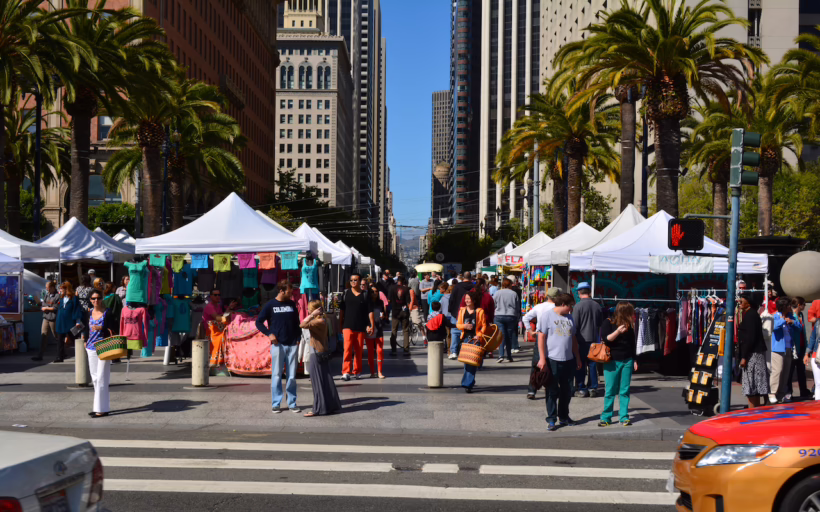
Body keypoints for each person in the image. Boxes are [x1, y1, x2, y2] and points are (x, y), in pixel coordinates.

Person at [537, 293, 581, 432]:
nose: (571, 309)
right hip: (552, 359)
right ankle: (551, 419)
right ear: (563, 304)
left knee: (567, 390)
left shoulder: (569, 318)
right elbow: (541, 337)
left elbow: (573, 339)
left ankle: (564, 416)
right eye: (570, 306)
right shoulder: (547, 316)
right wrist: (542, 358)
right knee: (552, 390)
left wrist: (577, 357)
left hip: (568, 360)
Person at [256, 280, 302, 413]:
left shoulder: (292, 304)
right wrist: (269, 333)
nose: (291, 294)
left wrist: (298, 338)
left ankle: (292, 402)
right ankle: (276, 403)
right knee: (276, 375)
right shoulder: (270, 305)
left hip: (292, 343)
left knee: (292, 376)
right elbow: (258, 322)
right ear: (281, 291)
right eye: (289, 292)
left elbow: (296, 322)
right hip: (278, 345)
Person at [598, 302, 638, 427]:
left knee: (624, 390)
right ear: (624, 312)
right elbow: (606, 339)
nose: (632, 315)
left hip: (627, 360)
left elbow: (632, 344)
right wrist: (618, 332)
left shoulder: (629, 326)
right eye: (630, 312)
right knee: (610, 390)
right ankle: (606, 417)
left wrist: (634, 359)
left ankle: (624, 417)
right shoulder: (608, 322)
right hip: (612, 361)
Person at [300, 300, 342, 416]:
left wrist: (312, 315)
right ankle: (330, 405)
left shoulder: (317, 321)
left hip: (316, 353)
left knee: (317, 382)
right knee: (326, 380)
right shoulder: (324, 320)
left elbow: (302, 324)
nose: (308, 311)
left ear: (314, 310)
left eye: (309, 309)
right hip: (321, 352)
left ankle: (318, 408)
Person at [523, 287, 560, 399]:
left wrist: (530, 331)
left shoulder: (539, 306)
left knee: (537, 363)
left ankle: (532, 390)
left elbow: (525, 318)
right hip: (554, 336)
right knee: (553, 363)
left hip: (540, 335)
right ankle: (551, 387)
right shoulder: (557, 307)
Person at [85, 289, 117, 418]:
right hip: (91, 347)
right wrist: (83, 338)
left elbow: (115, 328)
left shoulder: (107, 312)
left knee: (102, 377)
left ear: (102, 298)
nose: (95, 301)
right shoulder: (88, 313)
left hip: (104, 346)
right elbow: (84, 327)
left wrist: (102, 328)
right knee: (95, 378)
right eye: (93, 298)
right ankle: (98, 407)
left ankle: (101, 409)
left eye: (98, 298)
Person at [339, 273, 375, 380]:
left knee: (359, 350)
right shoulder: (346, 294)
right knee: (347, 349)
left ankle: (357, 371)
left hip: (360, 326)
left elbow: (370, 311)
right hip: (347, 325)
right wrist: (340, 324)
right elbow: (342, 311)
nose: (353, 282)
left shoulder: (365, 294)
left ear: (360, 282)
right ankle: (346, 371)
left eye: (355, 280)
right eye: (351, 280)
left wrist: (371, 324)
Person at [572, 282, 603, 397]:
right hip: (594, 339)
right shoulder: (597, 306)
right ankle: (593, 388)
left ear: (579, 293)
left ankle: (581, 388)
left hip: (581, 340)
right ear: (589, 292)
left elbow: (574, 325)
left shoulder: (577, 306)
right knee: (593, 365)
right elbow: (600, 323)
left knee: (580, 364)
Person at [738, 294, 770, 408]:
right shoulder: (750, 314)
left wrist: (744, 357)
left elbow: (750, 338)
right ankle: (755, 408)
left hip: (753, 354)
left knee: (752, 384)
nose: (740, 302)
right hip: (754, 353)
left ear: (749, 302)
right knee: (754, 384)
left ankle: (753, 410)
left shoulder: (751, 315)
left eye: (742, 300)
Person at [458, 291, 488, 393]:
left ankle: (467, 384)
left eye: (468, 299)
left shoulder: (480, 311)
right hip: (465, 339)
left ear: (473, 300)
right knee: (467, 363)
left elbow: (484, 325)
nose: (466, 301)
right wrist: (464, 326)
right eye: (465, 299)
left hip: (475, 340)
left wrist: (479, 335)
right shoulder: (462, 311)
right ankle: (470, 380)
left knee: (472, 362)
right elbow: (458, 324)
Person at [769, 297, 796, 404]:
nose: (791, 307)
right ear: (784, 306)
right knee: (777, 370)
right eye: (789, 305)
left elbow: (799, 326)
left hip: (788, 348)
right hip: (777, 349)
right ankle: (772, 393)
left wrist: (792, 321)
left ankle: (781, 394)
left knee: (786, 372)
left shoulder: (791, 316)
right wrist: (783, 320)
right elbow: (774, 327)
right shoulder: (775, 316)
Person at [787, 297, 810, 399]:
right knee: (790, 371)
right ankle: (788, 392)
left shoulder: (800, 315)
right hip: (794, 346)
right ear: (799, 305)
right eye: (804, 304)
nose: (804, 306)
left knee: (802, 370)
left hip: (801, 345)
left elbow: (802, 330)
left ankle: (804, 391)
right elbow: (797, 328)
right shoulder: (791, 315)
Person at [493, 278, 521, 363]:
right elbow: (517, 306)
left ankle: (501, 355)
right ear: (510, 285)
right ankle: (509, 356)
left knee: (501, 336)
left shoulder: (497, 293)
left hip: (499, 315)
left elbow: (493, 304)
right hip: (511, 315)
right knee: (509, 336)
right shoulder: (514, 294)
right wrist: (518, 316)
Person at [448, 272, 475, 358]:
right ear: (471, 278)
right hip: (470, 311)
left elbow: (451, 299)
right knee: (470, 331)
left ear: (463, 277)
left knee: (455, 332)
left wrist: (451, 310)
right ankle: (468, 350)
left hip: (457, 311)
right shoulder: (474, 287)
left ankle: (454, 351)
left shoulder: (457, 286)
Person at [55, 282, 84, 363]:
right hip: (61, 321)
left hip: (70, 321)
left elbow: (76, 309)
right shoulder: (61, 298)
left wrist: (78, 321)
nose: (60, 290)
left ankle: (81, 355)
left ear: (66, 289)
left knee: (75, 339)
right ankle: (59, 357)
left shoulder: (74, 298)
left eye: (61, 289)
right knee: (60, 339)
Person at [33, 281, 60, 362]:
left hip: (53, 318)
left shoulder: (57, 296)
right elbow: (43, 304)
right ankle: (40, 355)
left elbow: (56, 308)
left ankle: (60, 354)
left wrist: (47, 308)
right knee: (43, 335)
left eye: (47, 287)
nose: (46, 289)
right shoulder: (47, 295)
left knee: (56, 336)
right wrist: (46, 307)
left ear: (52, 287)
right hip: (46, 317)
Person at [365, 284, 386, 378]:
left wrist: (383, 316)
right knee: (370, 351)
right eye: (372, 291)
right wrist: (366, 326)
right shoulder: (367, 303)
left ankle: (380, 372)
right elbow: (364, 316)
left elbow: (384, 314)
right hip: (370, 328)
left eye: (376, 291)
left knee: (380, 350)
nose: (374, 293)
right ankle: (372, 372)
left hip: (379, 327)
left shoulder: (380, 302)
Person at [388, 276, 411, 355]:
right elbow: (408, 302)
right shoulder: (406, 289)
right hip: (404, 312)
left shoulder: (392, 288)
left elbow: (389, 300)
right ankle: (406, 349)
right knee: (405, 330)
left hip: (395, 312)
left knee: (394, 330)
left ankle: (394, 350)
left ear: (397, 281)